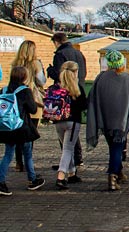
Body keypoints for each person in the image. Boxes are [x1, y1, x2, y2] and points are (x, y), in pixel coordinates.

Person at [86, 50, 129, 191]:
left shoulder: (100, 78)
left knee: (113, 146)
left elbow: (92, 98)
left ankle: (119, 171)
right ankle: (112, 176)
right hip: (121, 121)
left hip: (105, 120)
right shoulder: (128, 79)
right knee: (117, 147)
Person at [0, 66, 44, 195]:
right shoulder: (25, 91)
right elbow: (32, 109)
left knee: (8, 154)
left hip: (8, 126)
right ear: (24, 77)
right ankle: (32, 179)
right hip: (22, 127)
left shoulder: (4, 90)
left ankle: (1, 181)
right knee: (27, 154)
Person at [48, 33, 87, 166]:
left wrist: (50, 70)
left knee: (64, 131)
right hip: (78, 89)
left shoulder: (60, 55)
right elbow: (84, 72)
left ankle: (67, 163)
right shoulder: (79, 53)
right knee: (73, 127)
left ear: (57, 42)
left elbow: (60, 75)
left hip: (65, 94)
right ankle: (77, 157)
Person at [10, 40, 45, 173]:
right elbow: (41, 81)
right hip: (33, 100)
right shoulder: (36, 63)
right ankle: (28, 161)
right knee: (30, 133)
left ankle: (19, 162)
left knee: (18, 132)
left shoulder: (15, 64)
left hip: (17, 102)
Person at [53, 61, 87, 190]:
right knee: (68, 149)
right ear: (75, 72)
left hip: (58, 121)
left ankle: (72, 173)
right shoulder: (76, 87)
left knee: (66, 148)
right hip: (73, 122)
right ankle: (61, 176)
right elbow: (84, 105)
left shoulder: (56, 87)